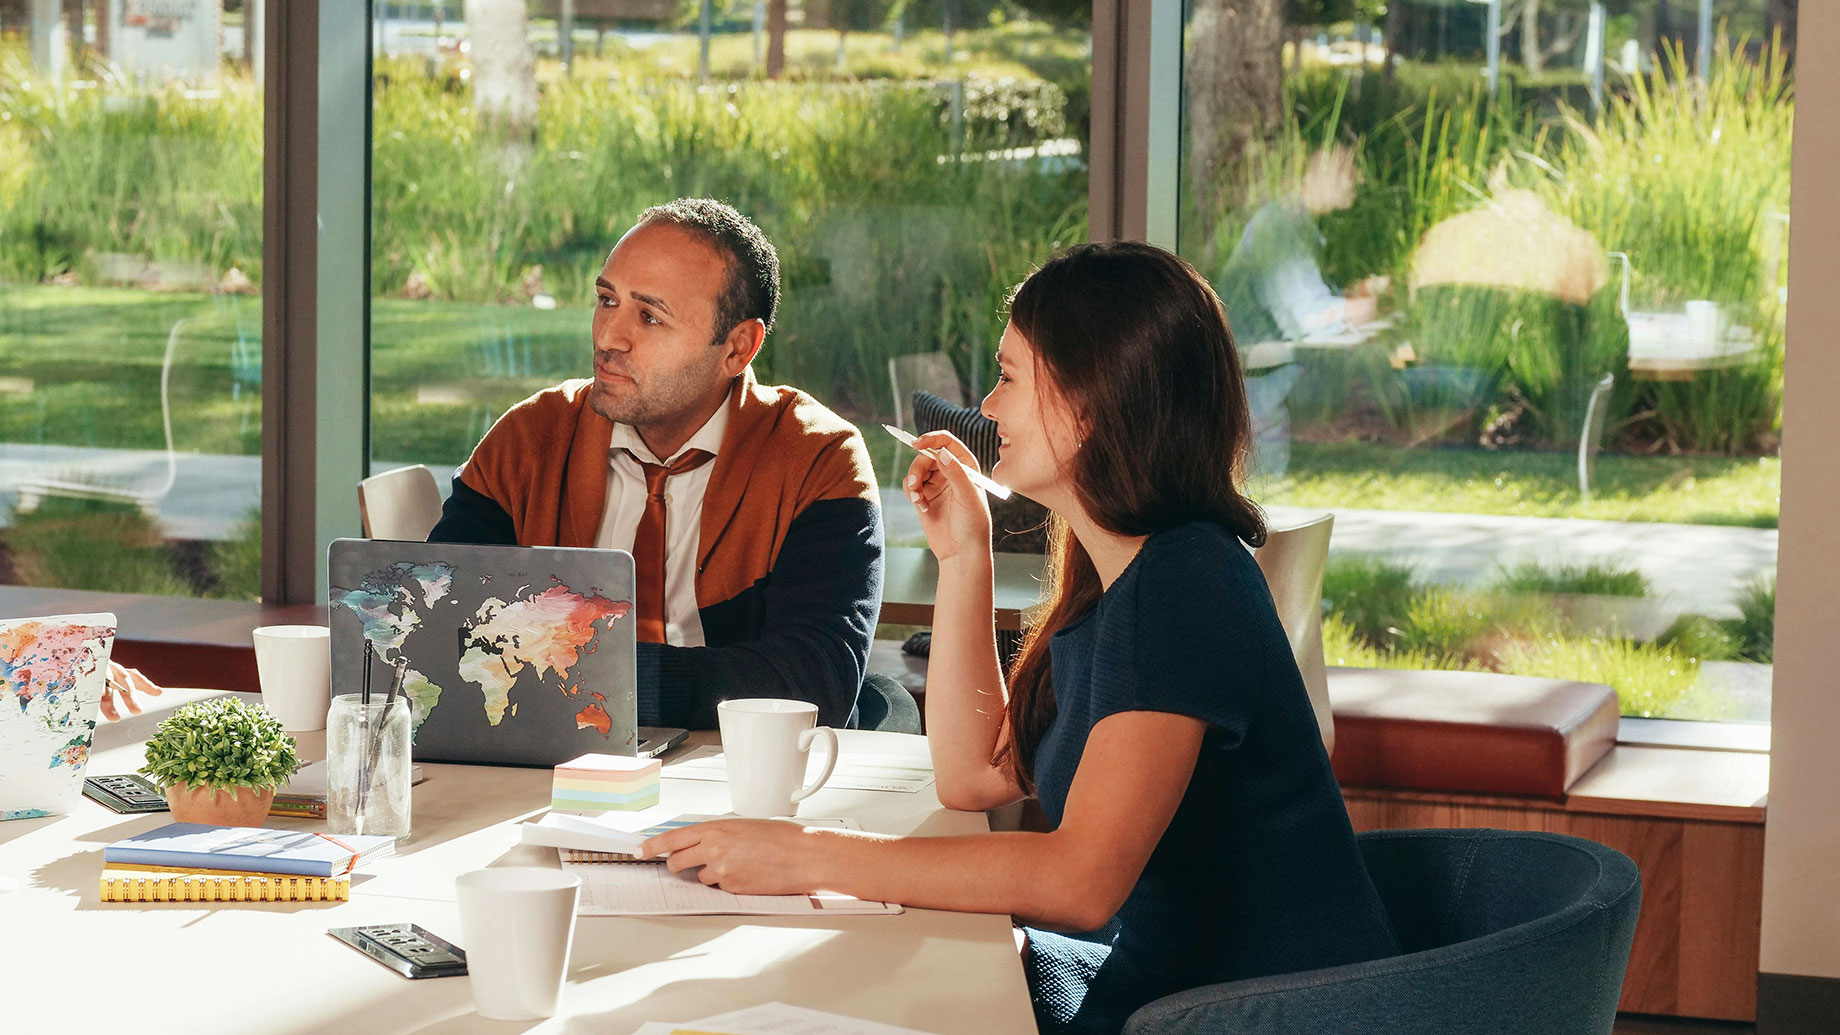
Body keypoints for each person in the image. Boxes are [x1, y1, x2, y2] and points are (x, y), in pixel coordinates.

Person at [638, 242, 1400, 1034]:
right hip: (1168, 984)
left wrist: (806, 854)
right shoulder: (1112, 575)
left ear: (1092, 401)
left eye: (1008, 377)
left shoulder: (1186, 585)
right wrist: (966, 554)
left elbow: (1080, 881)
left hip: (1263, 1012)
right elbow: (974, 776)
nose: (989, 410)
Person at [427, 199, 882, 730]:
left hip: (737, 782)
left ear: (738, 348)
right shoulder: (529, 440)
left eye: (648, 316)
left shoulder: (817, 460)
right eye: (606, 300)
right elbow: (441, 635)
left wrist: (605, 682)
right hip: (549, 768)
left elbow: (815, 681)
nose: (608, 337)